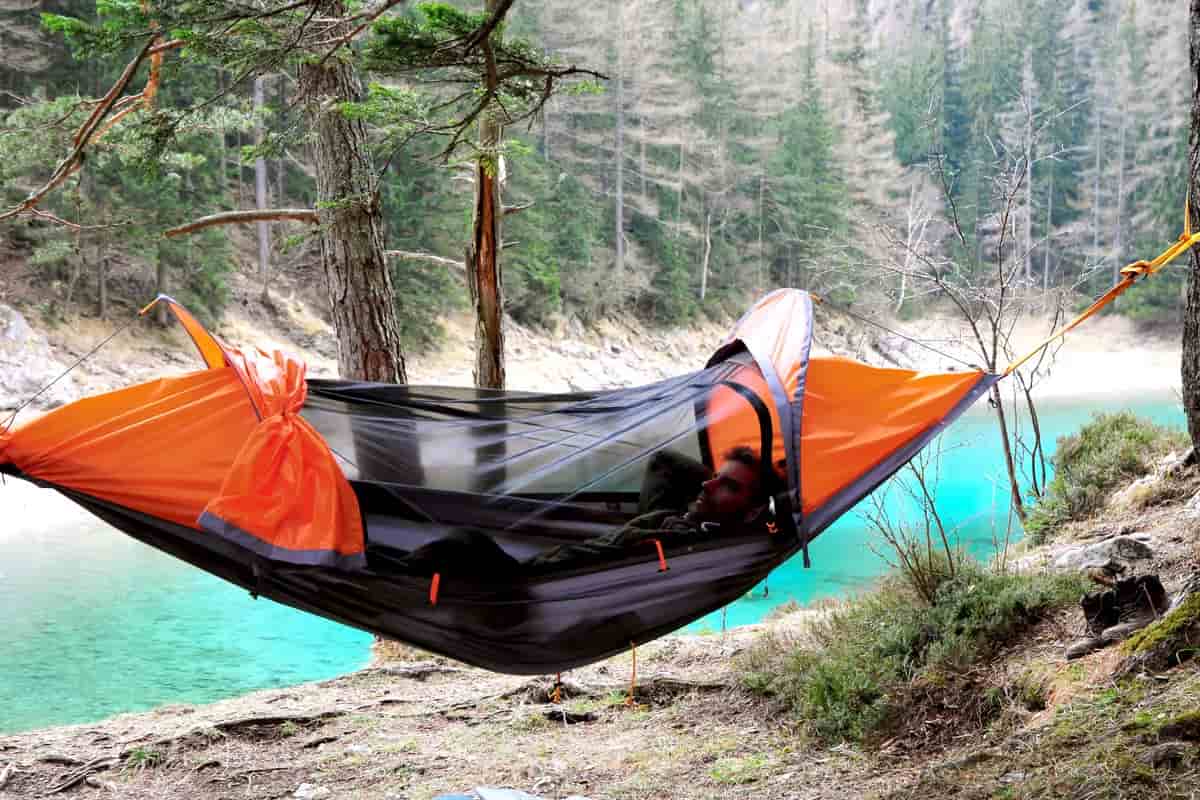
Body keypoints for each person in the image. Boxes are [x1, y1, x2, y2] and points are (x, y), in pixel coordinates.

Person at [390, 446, 779, 579]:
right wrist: (725, 485)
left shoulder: (687, 544)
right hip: (555, 564)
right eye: (713, 478)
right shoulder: (679, 515)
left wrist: (775, 504)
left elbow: (771, 525)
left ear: (752, 510)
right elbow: (667, 463)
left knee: (465, 542)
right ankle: (383, 564)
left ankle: (384, 576)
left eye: (729, 487)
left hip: (535, 584)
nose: (707, 485)